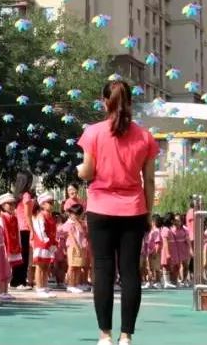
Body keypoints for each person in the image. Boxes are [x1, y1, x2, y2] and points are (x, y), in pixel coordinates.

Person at [78, 80, 159, 345]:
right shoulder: (145, 136)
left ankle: (105, 335)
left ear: (104, 102)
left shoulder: (93, 132)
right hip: (133, 209)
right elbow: (149, 180)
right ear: (131, 102)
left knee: (103, 270)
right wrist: (148, 213)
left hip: (100, 208)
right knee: (130, 271)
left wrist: (79, 171)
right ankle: (127, 335)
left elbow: (88, 172)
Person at [30, 192, 58, 299]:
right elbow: (40, 231)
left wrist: (53, 243)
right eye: (49, 202)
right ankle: (39, 288)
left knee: (46, 267)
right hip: (41, 245)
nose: (51, 204)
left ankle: (45, 286)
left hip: (49, 245)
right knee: (40, 266)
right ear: (42, 204)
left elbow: (53, 231)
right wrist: (47, 242)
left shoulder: (50, 216)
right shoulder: (40, 216)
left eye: (52, 202)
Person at [10, 170, 35, 289]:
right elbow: (28, 215)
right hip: (25, 228)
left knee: (18, 256)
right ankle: (21, 281)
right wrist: (33, 230)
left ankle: (16, 280)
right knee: (24, 256)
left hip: (17, 228)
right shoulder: (26, 196)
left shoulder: (17, 196)